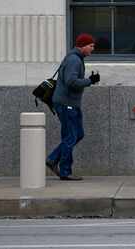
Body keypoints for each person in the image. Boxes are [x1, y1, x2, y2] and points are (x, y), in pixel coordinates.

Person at [45, 33, 100, 181]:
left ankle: (53, 160)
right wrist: (89, 81)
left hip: (69, 103)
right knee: (71, 136)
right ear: (82, 45)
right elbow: (71, 81)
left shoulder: (75, 58)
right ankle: (64, 171)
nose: (92, 49)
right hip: (66, 103)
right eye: (91, 46)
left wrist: (88, 80)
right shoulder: (74, 60)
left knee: (76, 134)